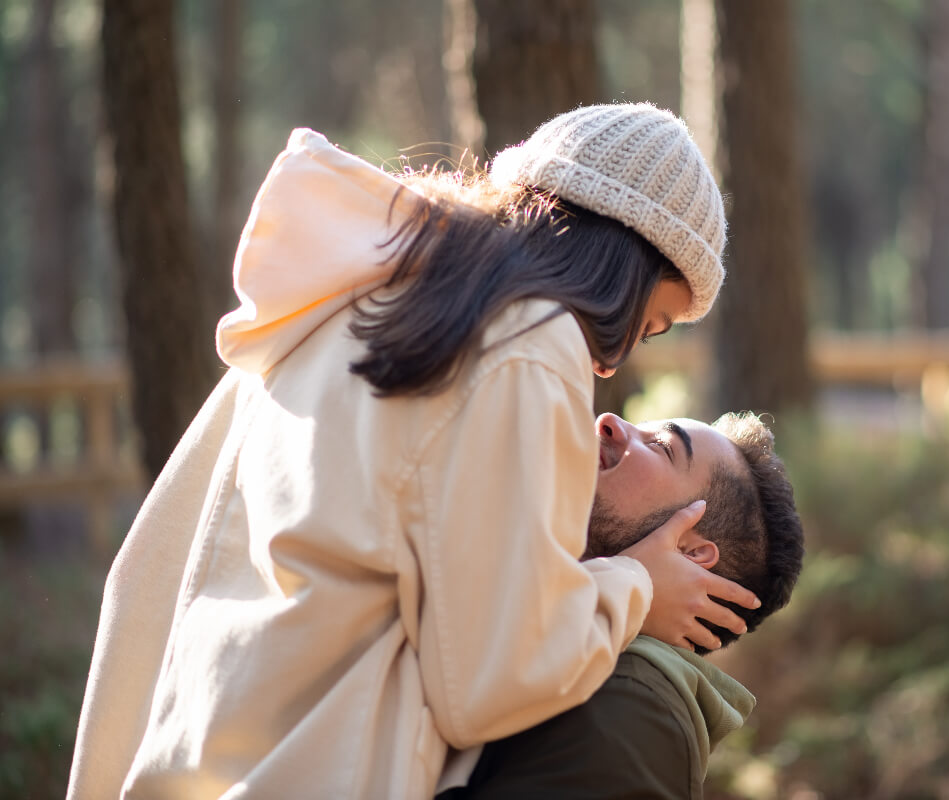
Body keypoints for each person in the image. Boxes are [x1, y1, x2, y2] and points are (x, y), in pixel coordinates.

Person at [67, 104, 758, 800]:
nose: (612, 364)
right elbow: (493, 680)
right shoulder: (529, 343)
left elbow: (158, 557)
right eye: (650, 324)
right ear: (625, 266)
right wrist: (635, 584)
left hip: (196, 752)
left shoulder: (359, 292)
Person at [439, 410, 805, 799]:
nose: (609, 421)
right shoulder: (531, 622)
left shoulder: (630, 708)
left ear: (688, 552)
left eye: (662, 447)